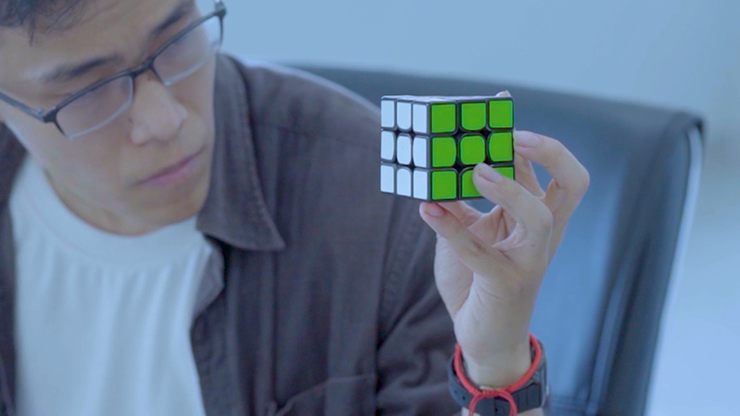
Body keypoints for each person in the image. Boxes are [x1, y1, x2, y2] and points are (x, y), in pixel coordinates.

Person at [0, 0, 589, 415]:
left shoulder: (391, 213)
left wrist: (496, 364)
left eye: (177, 40)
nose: (165, 120)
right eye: (89, 92)